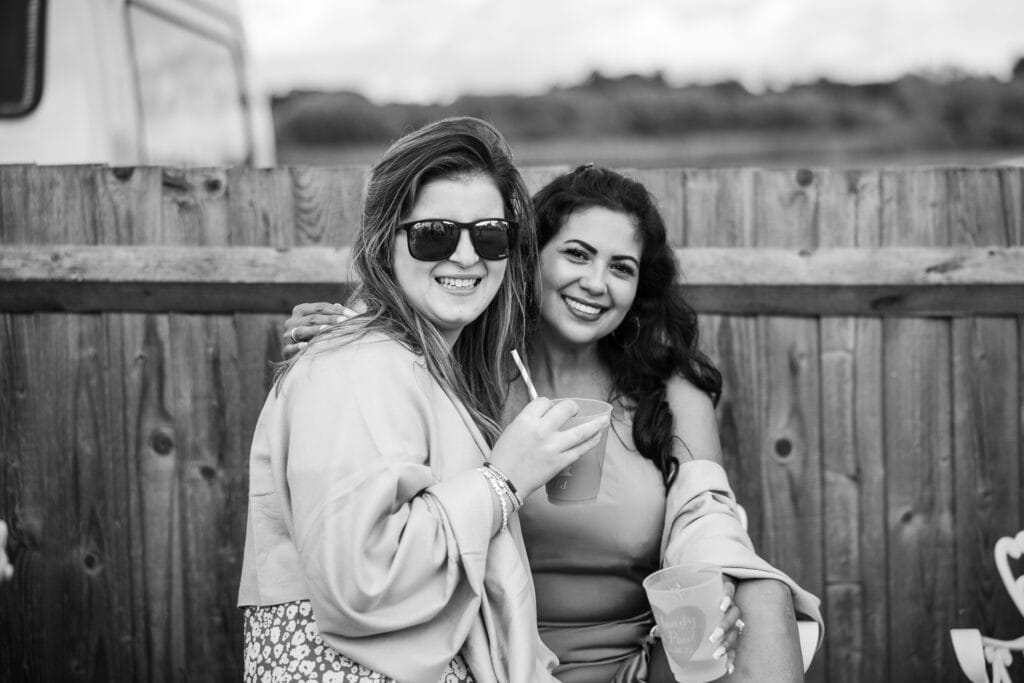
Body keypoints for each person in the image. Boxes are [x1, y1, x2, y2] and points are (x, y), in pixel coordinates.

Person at [285, 166, 822, 681]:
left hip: (643, 666)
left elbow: (707, 516)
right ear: (530, 259)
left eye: (621, 268)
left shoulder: (669, 390)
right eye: (576, 254)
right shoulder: (464, 373)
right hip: (493, 658)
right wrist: (350, 330)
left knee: (762, 593)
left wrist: (714, 581)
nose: (595, 283)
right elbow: (384, 381)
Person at [237, 117, 611, 683]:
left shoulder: (425, 367)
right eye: (434, 234)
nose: (466, 256)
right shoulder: (356, 365)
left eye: (489, 235)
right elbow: (360, 579)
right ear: (384, 240)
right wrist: (503, 481)